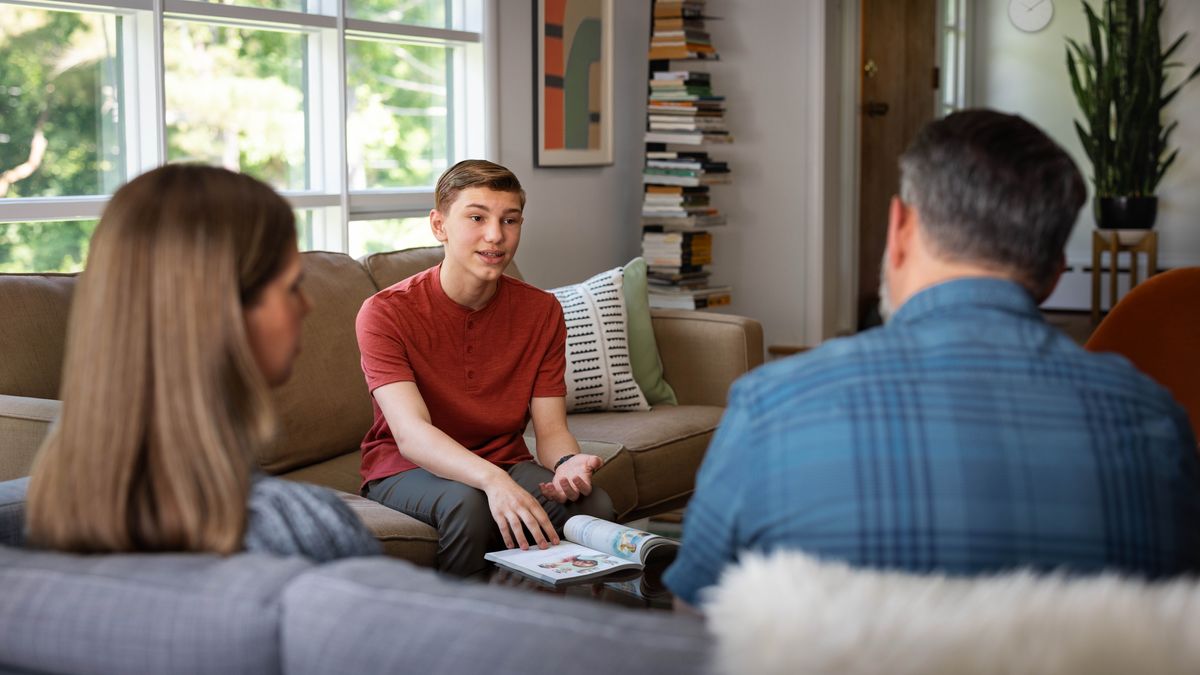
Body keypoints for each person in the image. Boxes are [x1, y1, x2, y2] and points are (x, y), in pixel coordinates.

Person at [664, 109, 1200, 608]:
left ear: (900, 228)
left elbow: (698, 617)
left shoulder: (772, 404)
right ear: (1058, 270)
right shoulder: (1154, 418)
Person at [22, 164, 379, 561]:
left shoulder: (28, 523)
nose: (307, 303)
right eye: (292, 285)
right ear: (221, 312)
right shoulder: (306, 532)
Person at [357, 159, 614, 576]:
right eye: (476, 217)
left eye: (509, 220)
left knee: (592, 506)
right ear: (439, 225)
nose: (496, 235)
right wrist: (494, 481)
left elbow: (549, 431)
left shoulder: (541, 310)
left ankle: (563, 623)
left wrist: (567, 462)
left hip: (504, 458)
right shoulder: (385, 312)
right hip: (407, 468)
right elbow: (412, 436)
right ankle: (466, 630)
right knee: (469, 504)